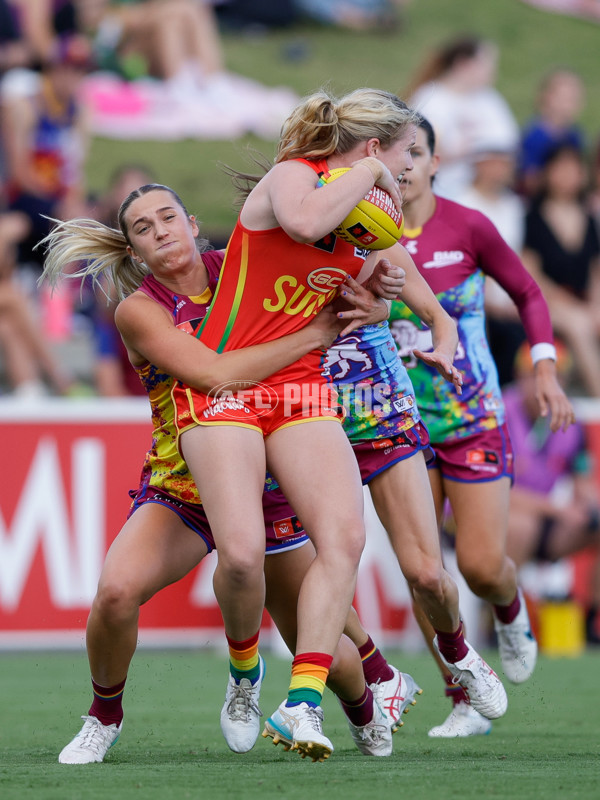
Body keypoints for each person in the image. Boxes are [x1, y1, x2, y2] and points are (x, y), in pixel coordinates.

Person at [171, 88, 511, 759]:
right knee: (244, 557)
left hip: (300, 387)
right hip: (230, 382)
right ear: (374, 146)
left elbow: (384, 289)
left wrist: (394, 308)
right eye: (404, 153)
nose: (411, 169)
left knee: (345, 539)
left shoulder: (364, 213)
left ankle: (303, 704)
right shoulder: (296, 176)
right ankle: (248, 675)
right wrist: (372, 173)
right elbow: (302, 226)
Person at [38, 184, 418, 764]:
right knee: (115, 592)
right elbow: (217, 374)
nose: (161, 231)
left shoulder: (248, 267)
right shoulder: (139, 310)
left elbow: (348, 279)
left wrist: (382, 301)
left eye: (169, 217)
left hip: (268, 484)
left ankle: (365, 708)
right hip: (184, 488)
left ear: (193, 223)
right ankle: (113, 713)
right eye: (144, 228)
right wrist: (315, 335)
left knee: (325, 647)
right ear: (136, 251)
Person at [389, 113, 575, 738]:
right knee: (422, 571)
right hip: (397, 430)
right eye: (392, 151)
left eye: (416, 151)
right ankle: (463, 697)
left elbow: (528, 293)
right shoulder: (357, 237)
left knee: (478, 565)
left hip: (472, 419)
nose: (405, 163)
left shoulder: (467, 226)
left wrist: (545, 368)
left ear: (438, 163)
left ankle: (509, 603)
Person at [503, 342, 600, 645]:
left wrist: (589, 504)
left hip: (543, 522)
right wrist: (558, 510)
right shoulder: (497, 412)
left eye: (551, 377)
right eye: (534, 376)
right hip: (484, 520)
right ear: (520, 377)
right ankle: (504, 621)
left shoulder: (570, 421)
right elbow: (496, 492)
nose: (541, 385)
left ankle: (589, 620)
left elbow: (582, 476)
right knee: (520, 525)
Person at [521, 143, 600, 399]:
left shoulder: (588, 216)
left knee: (586, 319)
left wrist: (595, 305)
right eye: (561, 169)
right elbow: (532, 274)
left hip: (585, 301)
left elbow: (595, 268)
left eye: (573, 169)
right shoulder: (533, 217)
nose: (567, 176)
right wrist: (574, 306)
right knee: (578, 325)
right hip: (549, 302)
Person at [404, 35, 519, 203]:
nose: (492, 71)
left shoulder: (489, 99)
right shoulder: (431, 98)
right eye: (486, 64)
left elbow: (508, 142)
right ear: (463, 63)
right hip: (440, 190)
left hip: (484, 192)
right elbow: (426, 148)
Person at [518, 68, 586, 198]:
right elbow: (528, 179)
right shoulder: (534, 136)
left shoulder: (575, 135)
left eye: (573, 98)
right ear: (546, 97)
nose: (568, 104)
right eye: (563, 97)